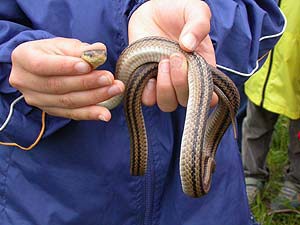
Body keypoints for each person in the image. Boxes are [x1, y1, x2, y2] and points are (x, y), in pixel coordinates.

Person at [0, 0, 285, 224]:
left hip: (204, 205)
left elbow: (260, 10)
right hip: (49, 195)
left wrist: (203, 31)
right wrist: (11, 64)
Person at [242, 0, 300, 211]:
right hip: (263, 70)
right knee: (255, 126)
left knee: (298, 134)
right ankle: (252, 174)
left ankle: (295, 181)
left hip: (293, 68)